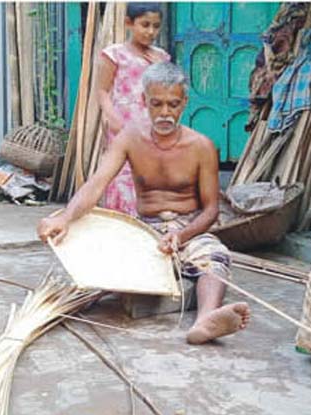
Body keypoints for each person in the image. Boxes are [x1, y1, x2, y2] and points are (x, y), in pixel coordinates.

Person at [38, 62, 250, 344]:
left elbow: (211, 210)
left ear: (184, 102)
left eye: (173, 105)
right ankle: (73, 301)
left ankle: (206, 319)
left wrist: (182, 235)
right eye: (157, 104)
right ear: (144, 101)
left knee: (213, 257)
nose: (165, 113)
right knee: (99, 254)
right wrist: (64, 218)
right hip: (145, 228)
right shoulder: (130, 138)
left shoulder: (201, 146)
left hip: (189, 228)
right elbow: (96, 184)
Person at [95, 2, 170, 216]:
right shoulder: (113, 55)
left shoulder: (161, 57)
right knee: (123, 177)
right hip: (123, 127)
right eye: (145, 25)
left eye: (156, 26)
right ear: (129, 23)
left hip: (153, 128)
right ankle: (122, 224)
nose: (150, 31)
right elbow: (102, 91)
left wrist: (160, 68)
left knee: (152, 176)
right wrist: (114, 121)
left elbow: (168, 91)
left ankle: (150, 227)